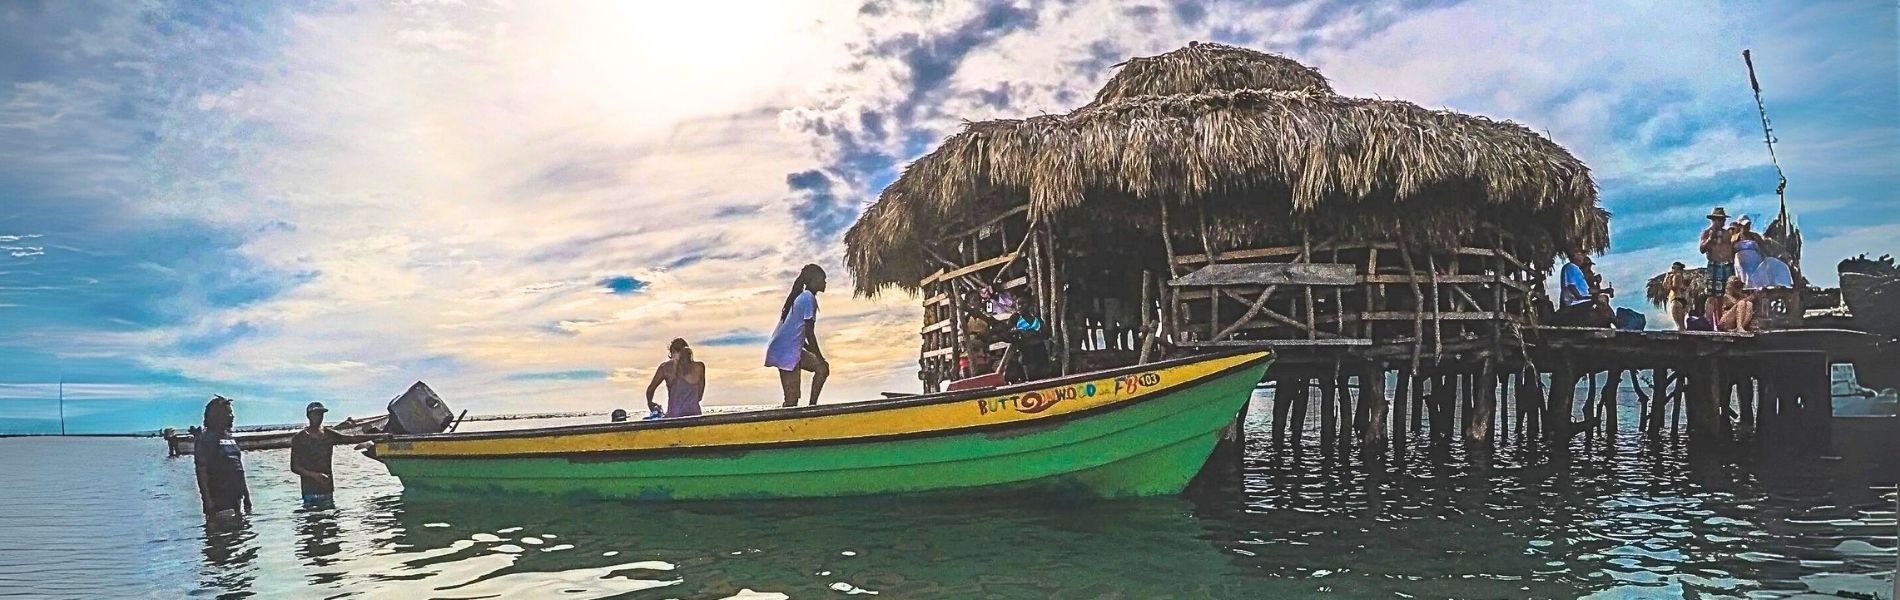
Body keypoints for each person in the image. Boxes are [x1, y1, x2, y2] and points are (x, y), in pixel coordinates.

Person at [289, 402, 382, 507]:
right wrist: (315, 475)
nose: (319, 417)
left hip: (327, 489)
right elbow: (294, 467)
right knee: (312, 520)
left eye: (321, 414)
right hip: (310, 492)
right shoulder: (299, 438)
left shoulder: (328, 434)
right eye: (316, 414)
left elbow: (351, 438)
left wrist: (379, 436)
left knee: (331, 520)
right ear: (308, 416)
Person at [766, 264, 829, 407]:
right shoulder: (808, 298)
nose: (825, 282)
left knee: (822, 369)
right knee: (791, 400)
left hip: (792, 349)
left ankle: (812, 408)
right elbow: (809, 333)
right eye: (822, 279)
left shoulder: (804, 297)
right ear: (814, 280)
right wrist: (819, 356)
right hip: (785, 351)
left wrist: (817, 356)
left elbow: (799, 334)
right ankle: (788, 423)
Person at [194, 396, 251, 518]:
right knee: (223, 534)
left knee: (240, 533)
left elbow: (239, 469)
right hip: (219, 500)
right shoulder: (205, 440)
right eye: (228, 413)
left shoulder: (230, 438)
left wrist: (246, 496)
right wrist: (207, 501)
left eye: (231, 413)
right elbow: (201, 472)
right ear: (217, 416)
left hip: (236, 497)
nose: (232, 416)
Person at [645, 338, 706, 417]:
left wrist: (650, 403)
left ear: (672, 352)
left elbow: (651, 389)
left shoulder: (666, 367)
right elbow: (699, 397)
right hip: (695, 415)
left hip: (674, 417)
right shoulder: (699, 367)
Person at [1552, 249, 1613, 327]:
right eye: (1581, 254)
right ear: (1575, 255)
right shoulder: (1570, 268)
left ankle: (1609, 323)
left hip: (1580, 300)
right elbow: (1574, 290)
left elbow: (1588, 290)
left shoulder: (1577, 270)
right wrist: (1591, 298)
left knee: (1604, 299)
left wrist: (1605, 290)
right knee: (1602, 301)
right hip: (1574, 303)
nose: (1583, 256)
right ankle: (1611, 323)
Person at [1699, 207, 1735, 296]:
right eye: (1720, 219)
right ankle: (1716, 310)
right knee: (1715, 294)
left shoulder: (1727, 233)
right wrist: (1710, 239)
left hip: (1728, 264)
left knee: (1731, 290)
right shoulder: (1707, 233)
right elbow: (1702, 249)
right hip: (1715, 264)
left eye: (1723, 219)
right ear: (1714, 220)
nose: (1723, 222)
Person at [1731, 216, 1765, 288]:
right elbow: (1731, 251)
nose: (1747, 227)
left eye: (1748, 225)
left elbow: (1763, 248)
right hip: (1741, 265)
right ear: (1739, 225)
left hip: (1755, 263)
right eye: (1745, 225)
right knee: (1744, 282)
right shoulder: (1735, 238)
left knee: (1757, 283)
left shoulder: (1755, 236)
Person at [1661, 262, 1693, 329]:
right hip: (1680, 300)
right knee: (1681, 324)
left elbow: (1675, 288)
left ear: (1679, 269)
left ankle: (1682, 338)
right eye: (1672, 268)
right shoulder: (1679, 276)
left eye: (1675, 268)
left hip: (1676, 300)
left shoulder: (1677, 276)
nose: (1673, 270)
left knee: (1679, 324)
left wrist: (1667, 282)